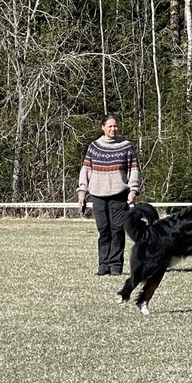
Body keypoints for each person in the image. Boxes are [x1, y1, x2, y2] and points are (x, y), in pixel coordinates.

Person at [77, 114, 142, 276]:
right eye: (110, 126)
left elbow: (133, 170)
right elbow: (86, 170)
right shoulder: (94, 147)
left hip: (119, 195)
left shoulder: (126, 146)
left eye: (115, 126)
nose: (113, 129)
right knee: (104, 230)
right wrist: (82, 192)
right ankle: (103, 265)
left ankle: (115, 266)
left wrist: (133, 191)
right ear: (103, 127)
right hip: (98, 195)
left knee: (117, 230)